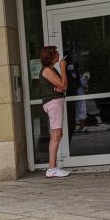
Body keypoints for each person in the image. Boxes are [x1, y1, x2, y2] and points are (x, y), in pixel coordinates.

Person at [39, 46, 70, 178]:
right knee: (56, 135)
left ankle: (52, 168)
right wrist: (63, 68)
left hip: (55, 103)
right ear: (51, 56)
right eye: (56, 53)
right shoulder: (47, 70)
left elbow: (62, 88)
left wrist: (60, 88)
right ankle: (52, 168)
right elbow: (63, 86)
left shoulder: (51, 69)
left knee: (57, 134)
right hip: (53, 104)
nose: (59, 54)